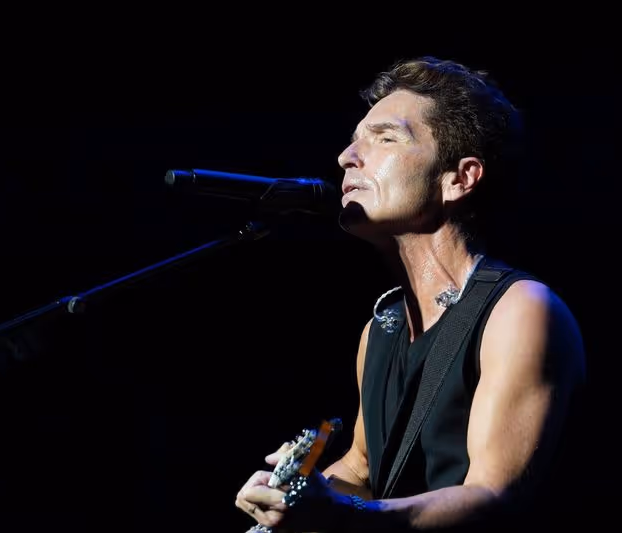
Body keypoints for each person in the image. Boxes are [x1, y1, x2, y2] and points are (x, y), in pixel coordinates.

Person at [235, 56, 587, 532]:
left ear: (459, 178)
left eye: (384, 138)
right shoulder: (381, 330)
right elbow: (361, 467)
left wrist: (340, 513)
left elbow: (492, 498)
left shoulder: (518, 312)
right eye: (357, 138)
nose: (346, 156)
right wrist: (292, 492)